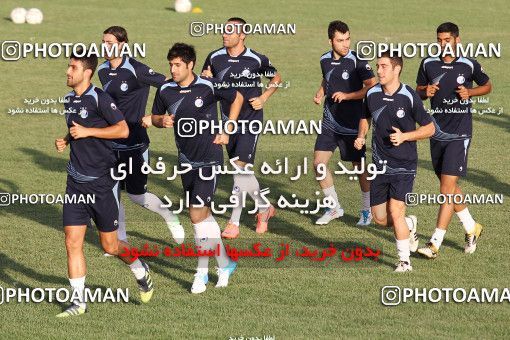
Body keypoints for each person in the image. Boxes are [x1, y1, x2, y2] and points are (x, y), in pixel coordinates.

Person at [55, 50, 153, 317]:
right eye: (68, 66)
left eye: (72, 67)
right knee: (72, 241)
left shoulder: (101, 98)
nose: (67, 71)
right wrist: (67, 139)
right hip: (75, 182)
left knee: (110, 246)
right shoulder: (68, 100)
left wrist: (89, 132)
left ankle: (140, 269)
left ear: (86, 73)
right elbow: (77, 125)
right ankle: (79, 303)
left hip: (101, 184)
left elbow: (122, 129)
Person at [152, 43, 244, 293]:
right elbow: (154, 118)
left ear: (190, 65)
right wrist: (162, 121)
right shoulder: (165, 90)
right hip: (185, 161)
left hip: (209, 159)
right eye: (171, 64)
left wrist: (228, 129)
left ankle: (201, 273)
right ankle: (224, 263)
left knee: (195, 215)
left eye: (178, 65)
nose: (173, 69)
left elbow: (237, 98)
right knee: (204, 217)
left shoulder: (208, 85)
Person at [98, 26, 184, 247]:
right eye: (103, 42)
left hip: (135, 143)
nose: (106, 47)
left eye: (110, 43)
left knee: (137, 196)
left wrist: (156, 115)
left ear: (123, 44)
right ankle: (121, 241)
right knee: (112, 193)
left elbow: (169, 85)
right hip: (110, 144)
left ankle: (170, 217)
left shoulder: (137, 69)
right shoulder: (102, 71)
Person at [415, 22, 491, 259]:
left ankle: (434, 243)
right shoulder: (428, 63)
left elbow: (487, 85)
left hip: (460, 134)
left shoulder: (468, 64)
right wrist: (424, 91)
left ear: (457, 40)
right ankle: (471, 228)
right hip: (436, 132)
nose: (442, 44)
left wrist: (471, 93)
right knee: (449, 186)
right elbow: (418, 90)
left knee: (446, 189)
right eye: (439, 40)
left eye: (447, 39)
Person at [201, 17, 282, 238]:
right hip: (228, 120)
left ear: (242, 35)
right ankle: (264, 208)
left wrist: (264, 96)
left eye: (229, 31)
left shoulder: (256, 59)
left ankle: (233, 222)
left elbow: (276, 77)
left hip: (251, 120)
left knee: (239, 169)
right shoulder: (215, 57)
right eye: (224, 31)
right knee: (242, 170)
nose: (224, 35)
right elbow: (205, 83)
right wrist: (206, 79)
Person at [355, 52, 435, 272]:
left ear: (396, 69)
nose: (378, 71)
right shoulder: (371, 94)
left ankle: (404, 261)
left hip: (404, 164)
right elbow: (365, 117)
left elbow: (430, 128)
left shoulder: (409, 95)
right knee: (381, 219)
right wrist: (362, 135)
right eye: (377, 66)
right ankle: (409, 225)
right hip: (379, 165)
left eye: (383, 66)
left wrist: (404, 137)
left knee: (396, 210)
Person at [313, 20, 377, 226]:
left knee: (359, 168)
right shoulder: (324, 59)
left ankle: (366, 210)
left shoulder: (358, 61)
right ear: (331, 40)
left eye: (348, 38)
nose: (346, 44)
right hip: (330, 122)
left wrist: (348, 96)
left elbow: (372, 86)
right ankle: (333, 208)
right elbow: (327, 79)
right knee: (318, 165)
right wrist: (320, 92)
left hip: (353, 124)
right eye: (340, 40)